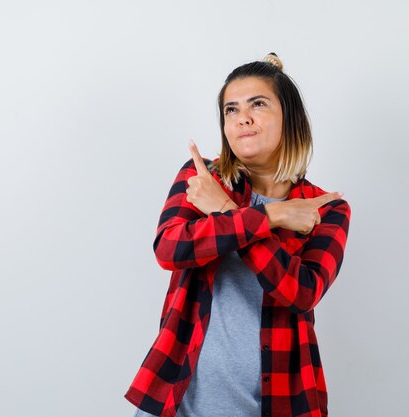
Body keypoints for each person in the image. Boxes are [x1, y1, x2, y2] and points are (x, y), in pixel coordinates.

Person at [125, 53, 351, 417]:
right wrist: (271, 216)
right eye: (231, 109)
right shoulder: (205, 180)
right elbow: (169, 248)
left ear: (289, 118)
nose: (242, 117)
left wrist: (229, 214)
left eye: (258, 104)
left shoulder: (323, 209)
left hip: (275, 403)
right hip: (177, 402)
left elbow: (301, 292)